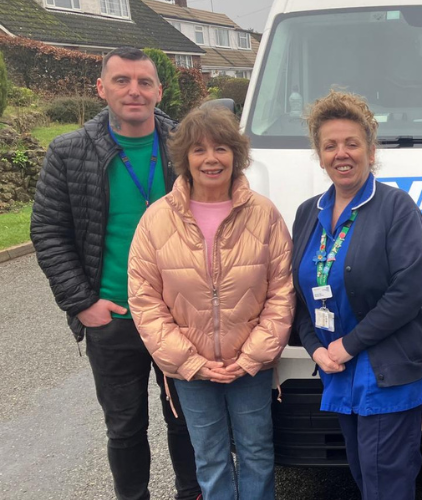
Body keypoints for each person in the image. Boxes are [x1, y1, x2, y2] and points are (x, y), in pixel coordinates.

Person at [30, 47, 201, 500]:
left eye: (145, 82)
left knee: (187, 420)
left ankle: (194, 493)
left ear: (159, 91)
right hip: (113, 315)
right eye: (122, 80)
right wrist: (82, 303)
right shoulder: (69, 152)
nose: (134, 90)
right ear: (101, 88)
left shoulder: (185, 144)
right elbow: (47, 229)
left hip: (178, 318)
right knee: (125, 428)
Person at [127, 105, 294, 500]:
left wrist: (253, 355)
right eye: (199, 150)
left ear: (235, 155)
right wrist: (190, 361)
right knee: (210, 457)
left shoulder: (264, 215)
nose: (211, 159)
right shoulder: (156, 220)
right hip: (191, 370)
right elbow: (145, 298)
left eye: (221, 148)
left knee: (256, 452)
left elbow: (282, 291)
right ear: (184, 157)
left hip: (248, 366)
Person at [291, 90, 422, 500]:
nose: (342, 154)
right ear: (319, 155)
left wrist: (348, 346)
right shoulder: (308, 213)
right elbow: (298, 293)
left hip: (384, 371)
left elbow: (408, 290)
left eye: (352, 143)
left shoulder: (396, 208)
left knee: (386, 482)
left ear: (371, 150)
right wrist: (315, 347)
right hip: (338, 368)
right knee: (361, 474)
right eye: (330, 145)